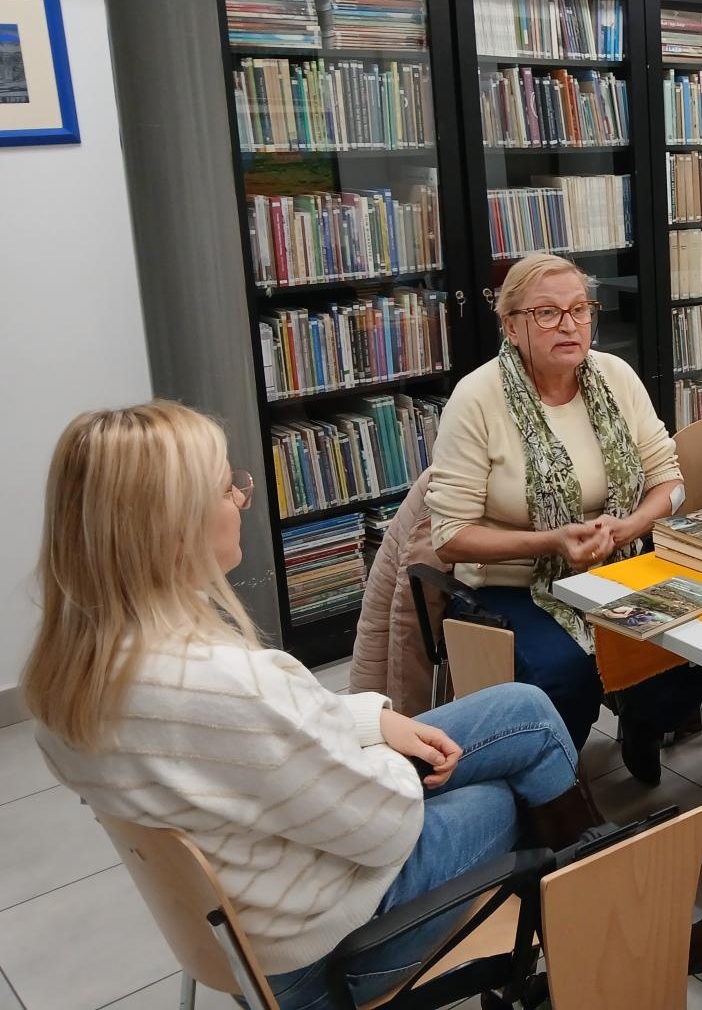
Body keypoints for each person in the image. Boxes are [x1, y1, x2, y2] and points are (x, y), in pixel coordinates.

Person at [23, 402, 600, 1010]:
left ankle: (606, 902)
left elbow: (261, 748)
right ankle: (601, 934)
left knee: (521, 708)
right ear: (171, 531)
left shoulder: (68, 678)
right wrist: (394, 762)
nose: (243, 499)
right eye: (227, 487)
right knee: (504, 794)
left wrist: (370, 722)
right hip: (327, 952)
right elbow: (381, 828)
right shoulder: (226, 685)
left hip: (258, 913)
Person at [426, 251, 702, 784]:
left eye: (580, 309)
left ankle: (644, 722)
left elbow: (668, 481)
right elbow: (450, 537)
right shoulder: (477, 398)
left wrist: (631, 527)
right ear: (511, 326)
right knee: (568, 672)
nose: (570, 325)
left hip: (621, 560)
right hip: (515, 583)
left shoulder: (615, 376)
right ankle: (554, 795)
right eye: (547, 313)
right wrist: (552, 542)